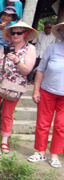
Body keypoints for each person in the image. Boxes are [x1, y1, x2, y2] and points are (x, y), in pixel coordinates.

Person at [0, 21, 37, 153]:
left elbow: (27, 70)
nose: (15, 35)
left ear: (25, 34)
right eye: (13, 33)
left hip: (15, 85)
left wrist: (16, 60)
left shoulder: (30, 49)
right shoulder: (5, 47)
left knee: (7, 114)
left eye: (19, 33)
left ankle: (4, 141)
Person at [28, 22, 64, 168]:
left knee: (61, 125)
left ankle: (55, 154)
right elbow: (41, 70)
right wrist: (36, 90)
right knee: (43, 123)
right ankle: (40, 152)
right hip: (47, 91)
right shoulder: (52, 48)